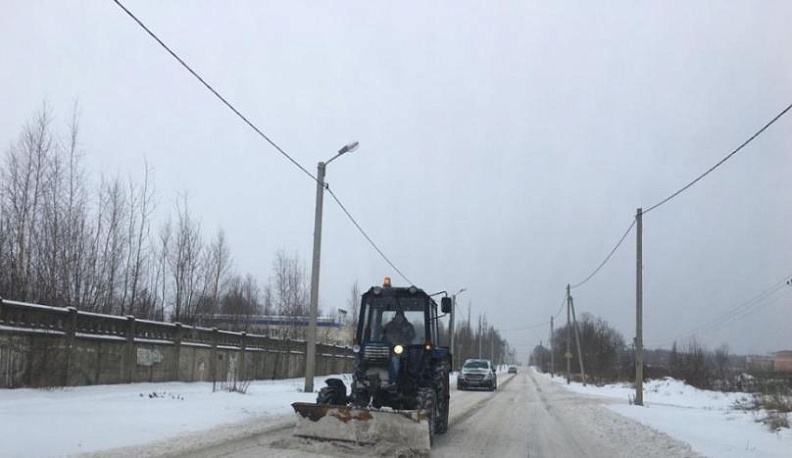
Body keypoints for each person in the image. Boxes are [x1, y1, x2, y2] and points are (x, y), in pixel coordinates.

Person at [382, 309, 416, 384]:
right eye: (398, 316)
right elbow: (384, 336)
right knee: (393, 360)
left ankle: (399, 380)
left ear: (403, 317)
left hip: (406, 349)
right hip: (391, 349)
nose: (399, 318)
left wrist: (407, 333)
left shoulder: (408, 326)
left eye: (401, 316)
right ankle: (390, 380)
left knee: (401, 360)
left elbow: (412, 335)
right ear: (396, 316)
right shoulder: (389, 325)